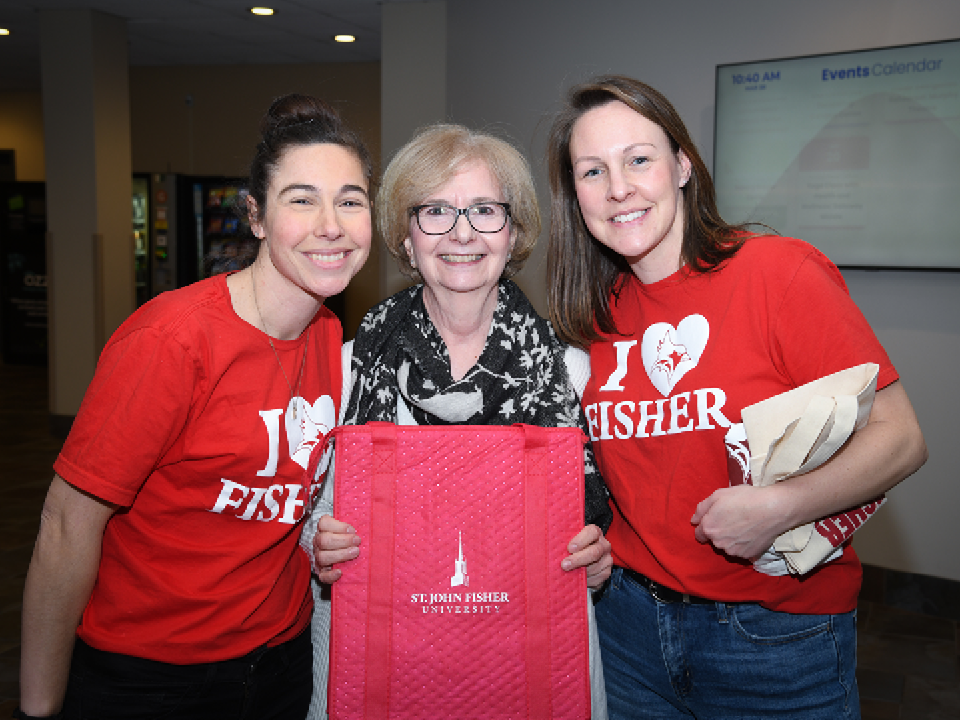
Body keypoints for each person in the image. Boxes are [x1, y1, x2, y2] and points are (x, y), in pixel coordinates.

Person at [545, 75, 928, 720]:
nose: (617, 188)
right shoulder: (591, 319)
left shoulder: (778, 274)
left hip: (774, 639)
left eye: (638, 159)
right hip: (628, 631)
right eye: (591, 171)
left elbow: (901, 436)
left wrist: (777, 506)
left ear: (683, 166)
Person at [17, 93, 373, 720]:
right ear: (256, 217)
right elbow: (66, 526)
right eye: (301, 199)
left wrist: (323, 536)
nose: (331, 225)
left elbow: (286, 496)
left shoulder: (326, 339)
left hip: (278, 664)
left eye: (350, 200)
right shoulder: (172, 341)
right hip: (151, 678)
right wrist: (38, 707)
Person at [300, 124, 614, 719]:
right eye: (436, 211)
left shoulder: (572, 374)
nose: (463, 232)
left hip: (525, 663)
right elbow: (301, 514)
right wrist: (321, 538)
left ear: (514, 230)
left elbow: (608, 521)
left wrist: (599, 554)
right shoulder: (347, 369)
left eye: (485, 210)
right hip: (379, 655)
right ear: (405, 235)